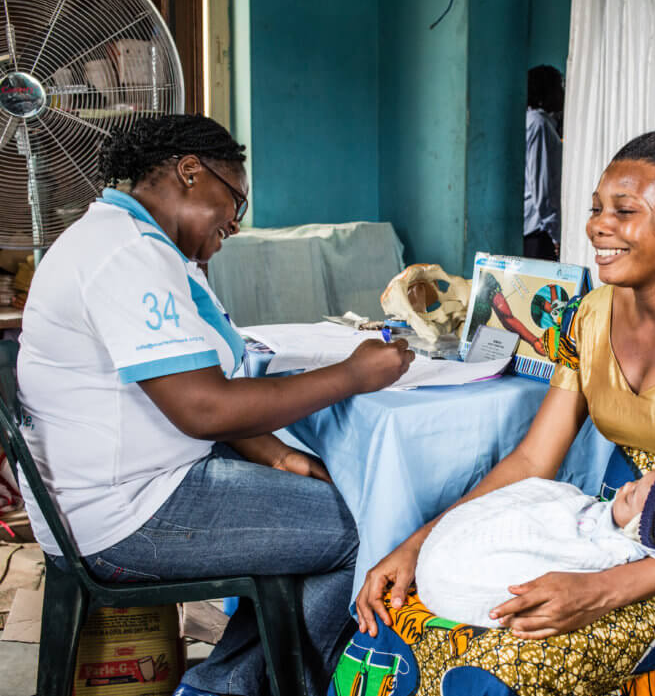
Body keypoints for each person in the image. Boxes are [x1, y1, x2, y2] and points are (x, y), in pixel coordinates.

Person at [351, 130, 655, 696]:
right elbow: (533, 459)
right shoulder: (589, 315)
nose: (597, 226)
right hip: (608, 525)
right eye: (595, 208)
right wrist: (418, 545)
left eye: (624, 210)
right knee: (402, 617)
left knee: (505, 660)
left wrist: (603, 590)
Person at [16, 114, 414, 696]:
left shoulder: (142, 246)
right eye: (236, 201)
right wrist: (351, 374)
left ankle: (222, 686)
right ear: (189, 171)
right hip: (127, 511)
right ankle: (229, 688)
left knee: (339, 510)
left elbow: (185, 384)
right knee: (373, 525)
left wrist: (275, 455)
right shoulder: (125, 254)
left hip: (122, 488)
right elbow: (203, 408)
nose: (234, 221)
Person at [416, 466, 655, 628]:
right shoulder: (588, 324)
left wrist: (598, 588)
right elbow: (534, 466)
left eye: (630, 494)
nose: (625, 485)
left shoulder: (624, 548)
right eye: (633, 484)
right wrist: (418, 542)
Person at [523, 65, 564, 261]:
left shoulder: (534, 121)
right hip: (538, 229)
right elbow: (542, 186)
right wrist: (556, 233)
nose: (563, 93)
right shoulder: (538, 123)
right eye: (559, 87)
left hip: (534, 228)